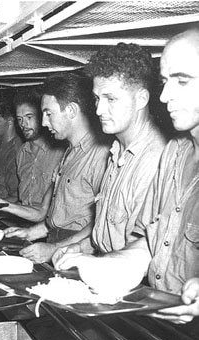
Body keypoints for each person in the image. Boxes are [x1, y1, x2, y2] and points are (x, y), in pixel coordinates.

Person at [57, 29, 199, 324]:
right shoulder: (178, 152)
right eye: (164, 82)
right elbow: (156, 240)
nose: (165, 95)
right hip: (168, 320)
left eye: (182, 81)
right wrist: (103, 263)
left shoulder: (159, 150)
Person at [51, 43, 166, 262]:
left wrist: (94, 264)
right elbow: (106, 233)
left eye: (110, 99)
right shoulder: (116, 151)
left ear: (141, 99)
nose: (98, 110)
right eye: (96, 98)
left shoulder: (156, 160)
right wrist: (79, 248)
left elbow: (147, 250)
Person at [5, 73, 110, 262]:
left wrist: (54, 248)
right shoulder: (69, 153)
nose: (44, 122)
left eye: (48, 114)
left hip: (78, 254)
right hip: (58, 243)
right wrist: (29, 233)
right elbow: (59, 218)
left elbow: (101, 223)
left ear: (71, 110)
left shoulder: (100, 155)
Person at [0, 90, 65, 218]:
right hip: (24, 223)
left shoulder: (59, 152)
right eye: (20, 119)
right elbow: (21, 200)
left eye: (29, 117)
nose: (23, 124)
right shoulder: (22, 153)